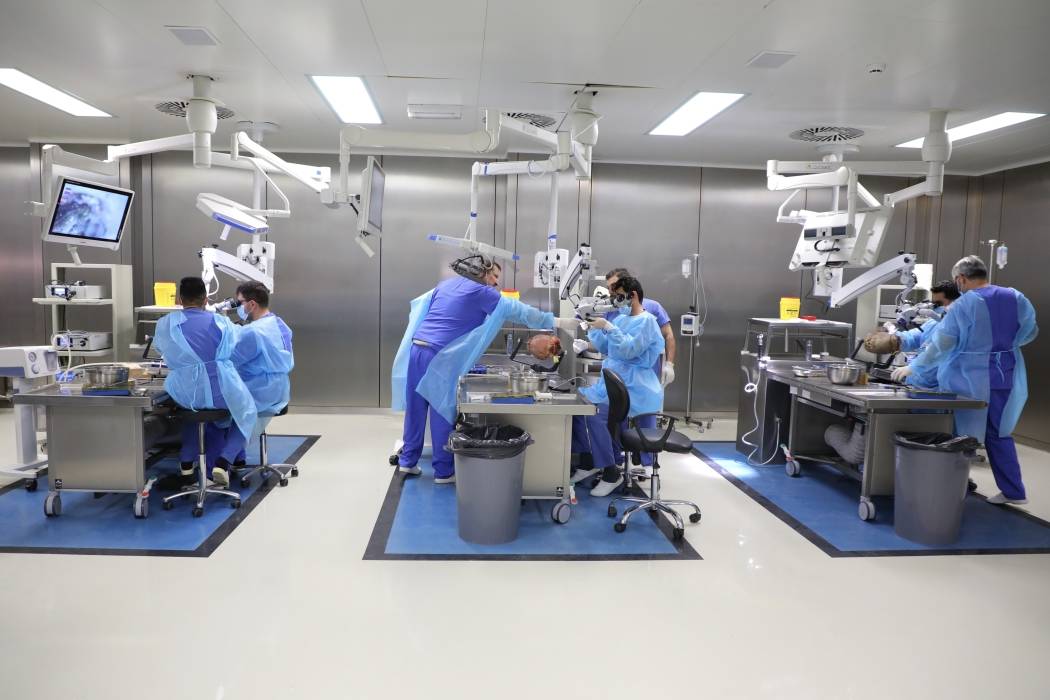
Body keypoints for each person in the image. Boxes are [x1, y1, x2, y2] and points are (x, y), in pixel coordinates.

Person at [392, 262, 574, 484]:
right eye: (494, 275)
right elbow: (520, 312)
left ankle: (407, 461)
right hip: (440, 356)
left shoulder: (447, 285)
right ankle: (443, 471)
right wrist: (557, 321)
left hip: (418, 348)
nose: (496, 282)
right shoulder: (482, 292)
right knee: (441, 409)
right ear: (482, 272)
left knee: (416, 407)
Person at [893, 256, 1038, 505]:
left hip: (970, 378)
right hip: (1006, 372)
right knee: (999, 433)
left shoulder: (965, 304)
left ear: (960, 279)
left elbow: (942, 344)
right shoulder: (1016, 296)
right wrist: (1002, 346)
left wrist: (914, 366)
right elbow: (1030, 331)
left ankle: (951, 486)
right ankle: (1014, 492)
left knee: (958, 432)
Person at [153, 276, 256, 488]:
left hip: (185, 393)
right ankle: (220, 464)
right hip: (220, 391)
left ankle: (187, 462)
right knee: (244, 411)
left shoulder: (165, 323)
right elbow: (235, 347)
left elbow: (160, 349)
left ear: (179, 300)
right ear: (205, 299)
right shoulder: (221, 322)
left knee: (192, 416)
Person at [571, 276, 664, 497]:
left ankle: (611, 472)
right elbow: (606, 347)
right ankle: (589, 460)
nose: (615, 302)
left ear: (633, 295)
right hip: (611, 383)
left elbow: (629, 350)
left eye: (619, 297)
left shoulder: (647, 322)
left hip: (633, 388)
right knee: (576, 406)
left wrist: (609, 327)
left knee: (594, 415)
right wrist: (592, 326)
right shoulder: (622, 319)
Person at [228, 281, 295, 465]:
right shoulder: (279, 323)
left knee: (223, 407)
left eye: (240, 302)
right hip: (279, 388)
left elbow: (232, 359)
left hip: (258, 389)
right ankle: (237, 457)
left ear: (252, 304)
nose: (238, 307)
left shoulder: (253, 332)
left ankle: (223, 460)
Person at [865, 280, 961, 388]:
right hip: (920, 384)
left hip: (940, 388)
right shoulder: (935, 322)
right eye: (933, 303)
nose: (933, 306)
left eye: (938, 303)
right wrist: (896, 340)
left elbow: (937, 353)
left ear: (956, 301)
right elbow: (916, 336)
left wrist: (914, 368)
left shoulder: (960, 326)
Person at [604, 268, 676, 387]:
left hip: (645, 378)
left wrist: (669, 364)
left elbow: (668, 335)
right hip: (618, 376)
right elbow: (607, 342)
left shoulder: (652, 308)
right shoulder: (610, 311)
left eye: (614, 286)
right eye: (609, 288)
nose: (611, 291)